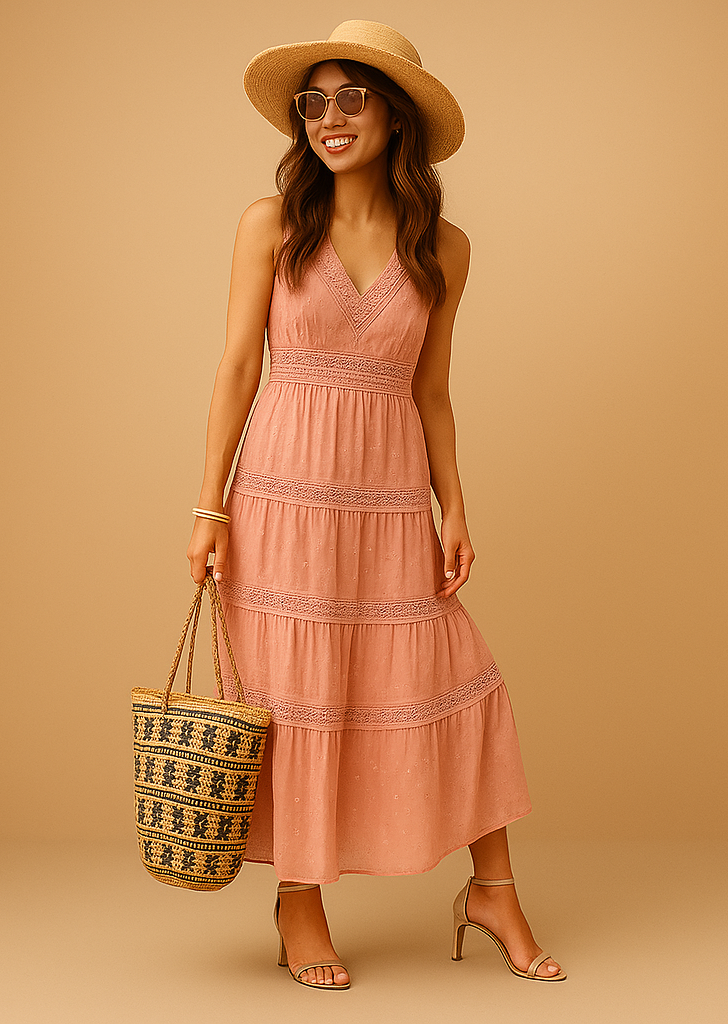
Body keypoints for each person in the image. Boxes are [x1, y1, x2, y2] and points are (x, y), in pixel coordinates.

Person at [186, 20, 565, 990]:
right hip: (281, 496)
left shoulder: (444, 248)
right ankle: (299, 901)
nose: (330, 117)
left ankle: (493, 891)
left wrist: (455, 506)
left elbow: (431, 390)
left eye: (351, 97)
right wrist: (208, 506)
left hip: (391, 497)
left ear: (396, 117)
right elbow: (237, 368)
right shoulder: (269, 225)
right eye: (313, 101)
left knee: (453, 680)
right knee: (293, 694)